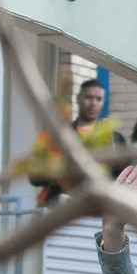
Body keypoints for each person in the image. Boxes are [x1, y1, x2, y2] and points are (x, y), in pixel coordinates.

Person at [33, 78, 128, 206]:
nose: (93, 103)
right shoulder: (59, 134)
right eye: (88, 97)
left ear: (103, 102)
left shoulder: (115, 138)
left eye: (98, 99)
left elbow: (122, 174)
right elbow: (35, 176)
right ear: (78, 98)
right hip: (60, 205)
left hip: (98, 206)